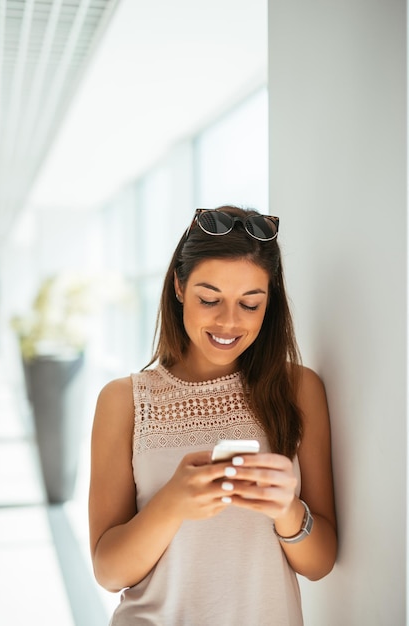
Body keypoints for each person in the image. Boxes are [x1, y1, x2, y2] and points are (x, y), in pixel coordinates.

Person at [89, 205, 337, 626]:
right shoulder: (124, 400)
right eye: (209, 299)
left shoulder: (299, 390)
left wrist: (287, 511)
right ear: (179, 287)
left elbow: (320, 563)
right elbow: (109, 572)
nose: (229, 321)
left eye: (250, 304)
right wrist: (172, 503)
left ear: (269, 302)